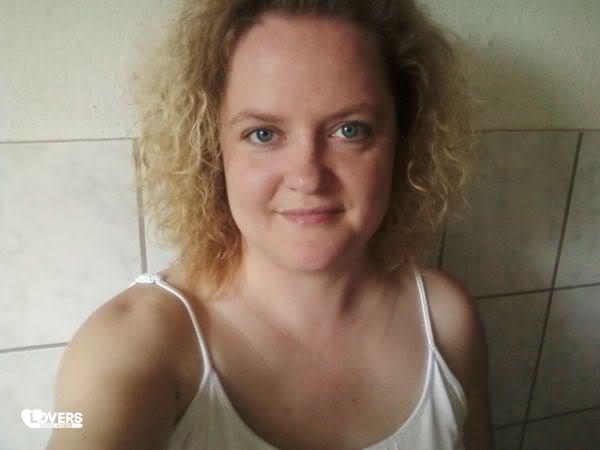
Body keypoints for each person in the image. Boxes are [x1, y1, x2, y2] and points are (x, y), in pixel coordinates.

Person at [47, 0, 493, 449]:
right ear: (212, 151)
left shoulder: (447, 320)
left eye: (350, 130)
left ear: (404, 140)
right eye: (263, 134)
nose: (308, 177)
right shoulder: (134, 345)